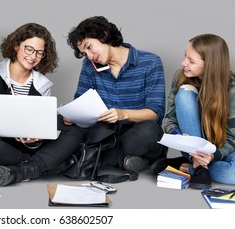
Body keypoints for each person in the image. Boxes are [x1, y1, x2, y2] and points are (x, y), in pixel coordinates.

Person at [0, 23, 86, 187]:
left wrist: (37, 136)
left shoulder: (43, 84)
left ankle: (23, 170)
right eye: (29, 49)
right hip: (2, 145)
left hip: (30, 146)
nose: (33, 56)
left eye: (40, 53)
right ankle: (51, 166)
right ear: (17, 46)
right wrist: (14, 127)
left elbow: (41, 124)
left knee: (75, 130)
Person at [66, 16, 166, 174]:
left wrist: (122, 114)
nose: (90, 56)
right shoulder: (89, 65)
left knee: (150, 130)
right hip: (105, 134)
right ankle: (127, 161)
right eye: (85, 53)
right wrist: (73, 115)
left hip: (137, 133)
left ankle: (90, 160)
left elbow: (154, 113)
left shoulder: (150, 62)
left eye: (89, 47)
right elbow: (80, 101)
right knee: (62, 124)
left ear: (104, 34)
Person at [151, 34, 235, 187]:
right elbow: (169, 119)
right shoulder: (180, 77)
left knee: (232, 174)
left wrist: (212, 155)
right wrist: (179, 136)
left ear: (210, 65)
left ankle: (190, 167)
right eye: (185, 55)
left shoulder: (232, 89)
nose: (183, 63)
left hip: (221, 149)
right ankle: (197, 164)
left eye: (191, 61)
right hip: (192, 145)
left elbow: (233, 137)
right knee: (184, 93)